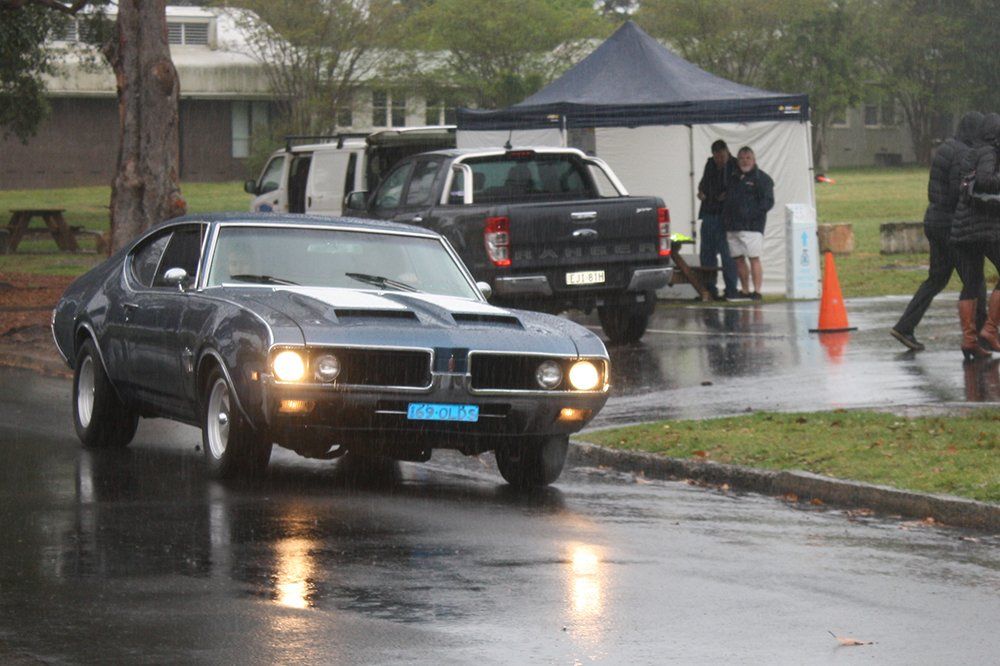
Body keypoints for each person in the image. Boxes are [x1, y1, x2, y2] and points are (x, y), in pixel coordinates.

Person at [891, 112, 985, 351]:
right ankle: (981, 335)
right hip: (952, 225)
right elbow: (959, 191)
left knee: (937, 279)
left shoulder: (947, 148)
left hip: (934, 219)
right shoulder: (965, 153)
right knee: (974, 280)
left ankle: (904, 326)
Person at [950, 112, 1000, 360]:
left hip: (963, 227)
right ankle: (990, 329)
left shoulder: (971, 152)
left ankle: (969, 339)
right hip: (985, 228)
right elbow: (985, 180)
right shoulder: (989, 152)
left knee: (971, 282)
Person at [722, 146, 774, 300]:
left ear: (754, 159)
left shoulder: (762, 179)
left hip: (752, 227)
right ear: (737, 160)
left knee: (753, 258)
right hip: (733, 226)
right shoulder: (732, 177)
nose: (745, 161)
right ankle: (745, 290)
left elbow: (768, 202)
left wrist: (751, 214)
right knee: (738, 259)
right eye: (742, 158)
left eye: (748, 158)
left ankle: (757, 291)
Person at [697, 140, 739, 300]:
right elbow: (702, 184)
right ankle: (709, 290)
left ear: (727, 152)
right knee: (707, 254)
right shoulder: (710, 164)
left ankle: (731, 289)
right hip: (708, 213)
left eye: (722, 156)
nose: (719, 160)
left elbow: (738, 189)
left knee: (727, 254)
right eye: (716, 157)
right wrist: (701, 192)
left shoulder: (735, 165)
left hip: (726, 216)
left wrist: (728, 195)